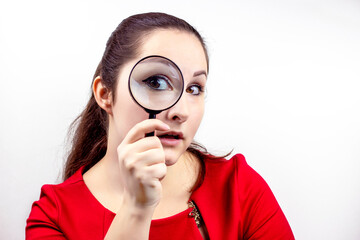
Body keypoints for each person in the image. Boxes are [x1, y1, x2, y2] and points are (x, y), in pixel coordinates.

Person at [26, 12, 294, 239]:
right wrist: (137, 207)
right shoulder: (52, 216)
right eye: (156, 82)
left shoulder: (238, 187)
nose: (181, 111)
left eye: (194, 88)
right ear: (105, 94)